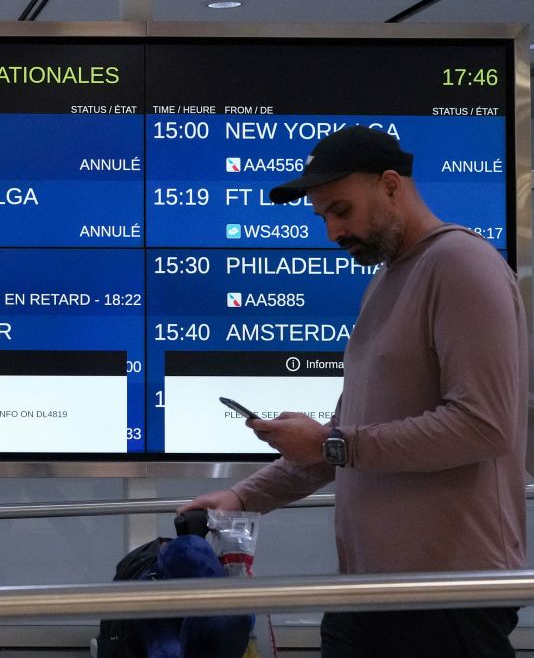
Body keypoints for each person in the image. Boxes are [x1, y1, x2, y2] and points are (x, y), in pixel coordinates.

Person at [181, 125, 528, 657]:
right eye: (323, 217)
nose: (332, 233)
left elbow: (484, 425)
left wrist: (332, 443)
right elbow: (343, 446)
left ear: (391, 185)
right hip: (367, 592)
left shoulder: (461, 264)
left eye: (341, 211)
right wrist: (244, 497)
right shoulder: (387, 281)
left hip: (448, 595)